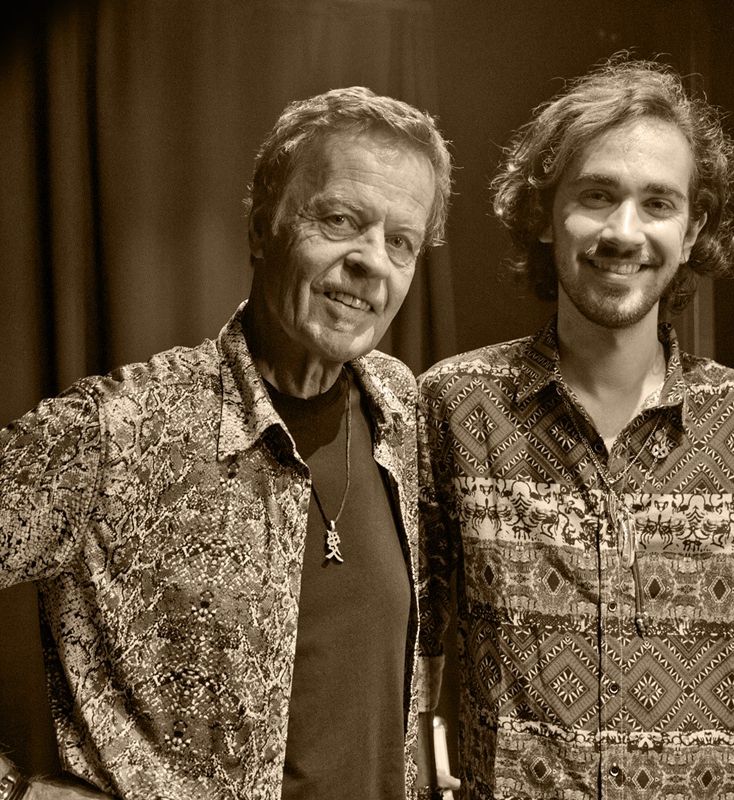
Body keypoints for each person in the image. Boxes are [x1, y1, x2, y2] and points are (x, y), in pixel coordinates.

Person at [0, 85, 452, 800]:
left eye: (401, 241)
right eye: (340, 219)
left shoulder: (402, 411)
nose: (373, 261)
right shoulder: (122, 428)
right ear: (262, 227)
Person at [417, 56, 734, 800]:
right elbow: (411, 648)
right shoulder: (457, 407)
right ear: (544, 214)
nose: (624, 231)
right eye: (597, 195)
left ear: (692, 228)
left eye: (658, 203)